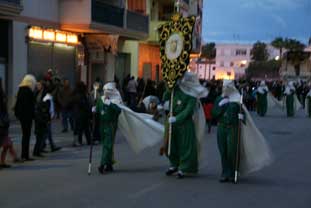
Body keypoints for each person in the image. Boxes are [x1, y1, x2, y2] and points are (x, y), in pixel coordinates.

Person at [163, 72, 208, 179]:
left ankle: (184, 167)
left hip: (184, 124)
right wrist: (169, 86)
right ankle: (174, 164)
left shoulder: (192, 94)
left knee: (185, 146)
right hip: (171, 122)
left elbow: (188, 110)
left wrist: (177, 118)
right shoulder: (176, 90)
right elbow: (165, 97)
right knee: (170, 144)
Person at [96, 82, 122, 174]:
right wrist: (94, 109)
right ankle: (109, 163)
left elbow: (119, 110)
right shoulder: (101, 99)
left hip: (111, 124)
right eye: (105, 90)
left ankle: (102, 164)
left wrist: (110, 104)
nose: (106, 92)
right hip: (102, 124)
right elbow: (98, 108)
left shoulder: (115, 100)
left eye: (109, 90)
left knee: (107, 145)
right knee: (106, 144)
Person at [14, 74, 36, 161]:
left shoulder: (21, 90)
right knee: (26, 135)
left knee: (25, 135)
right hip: (27, 116)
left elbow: (18, 104)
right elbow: (30, 105)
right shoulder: (28, 91)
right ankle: (25, 155)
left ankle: (24, 155)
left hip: (22, 116)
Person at [0, 79, 20, 167]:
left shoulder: (2, 93)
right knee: (7, 143)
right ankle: (5, 161)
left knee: (7, 143)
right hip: (2, 122)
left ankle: (3, 162)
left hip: (3, 122)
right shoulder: (1, 94)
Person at [72, 82, 92, 146]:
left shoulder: (77, 94)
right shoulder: (80, 95)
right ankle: (82, 141)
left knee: (83, 128)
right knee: (83, 128)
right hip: (81, 114)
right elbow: (83, 104)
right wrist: (89, 110)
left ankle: (85, 141)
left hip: (79, 114)